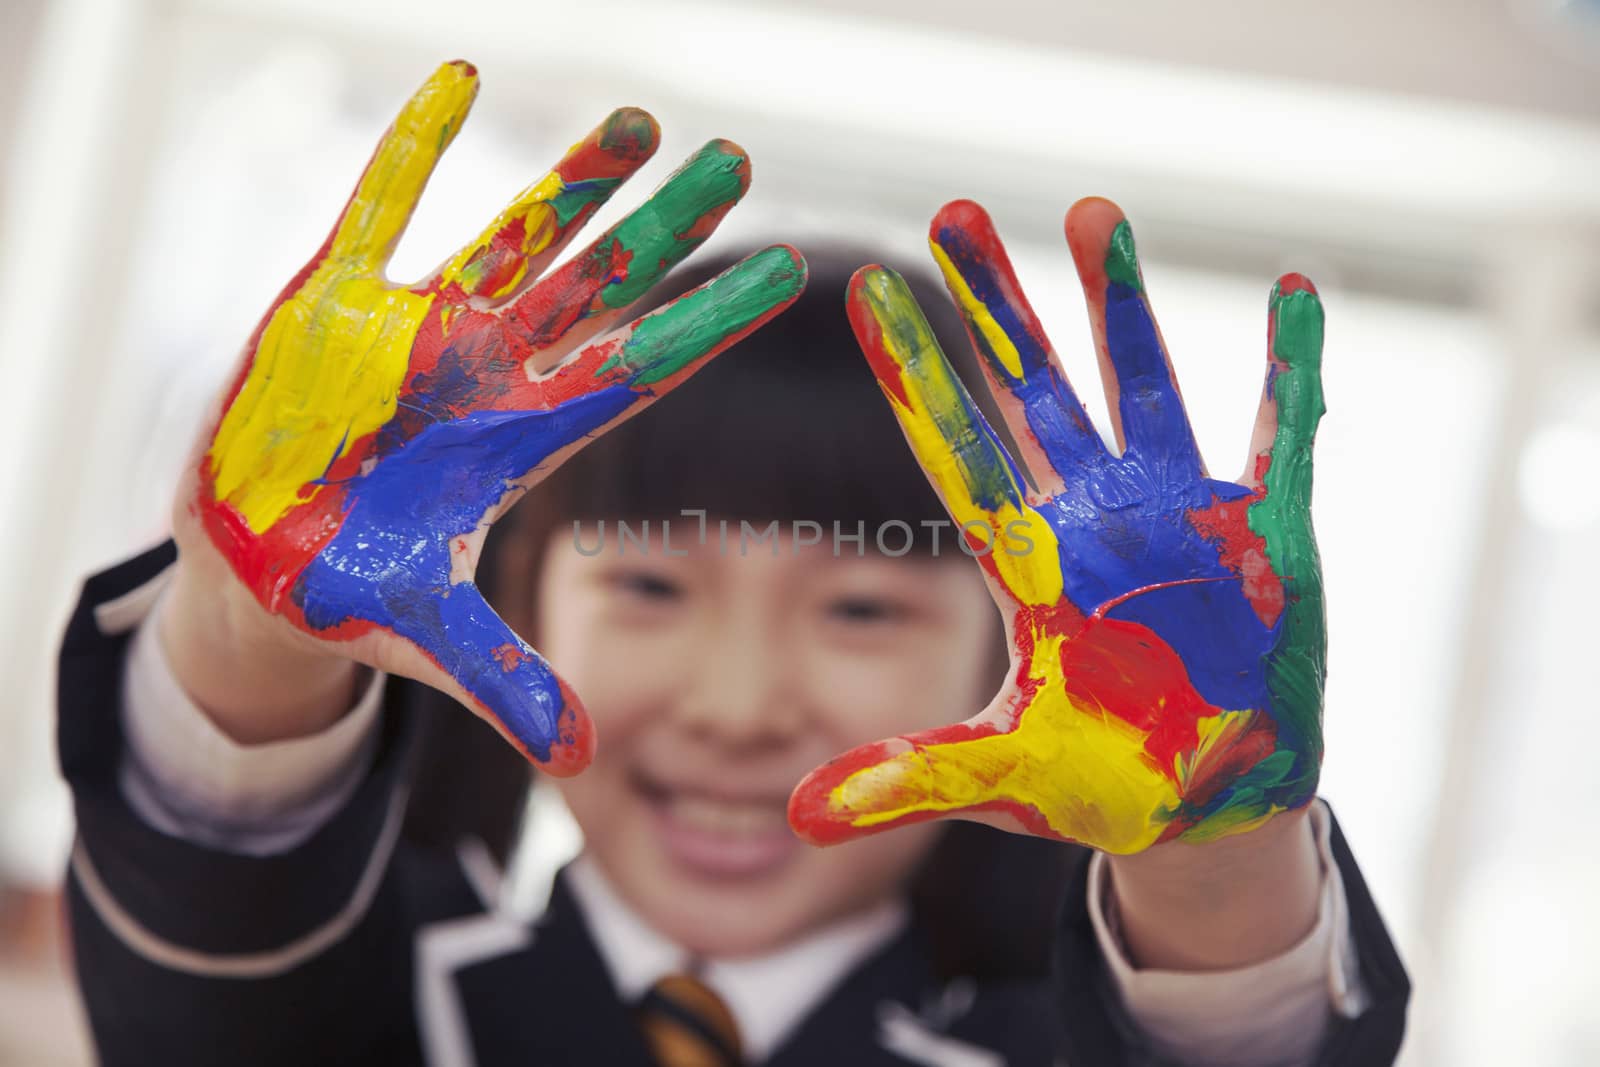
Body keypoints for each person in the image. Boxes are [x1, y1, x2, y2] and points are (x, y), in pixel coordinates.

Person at [56, 61, 1409, 1065]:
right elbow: (215, 900)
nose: (738, 702)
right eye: (650, 585)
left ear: (1010, 655)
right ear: (519, 592)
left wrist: (1213, 843)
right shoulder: (345, 994)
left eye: (863, 604)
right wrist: (253, 634)